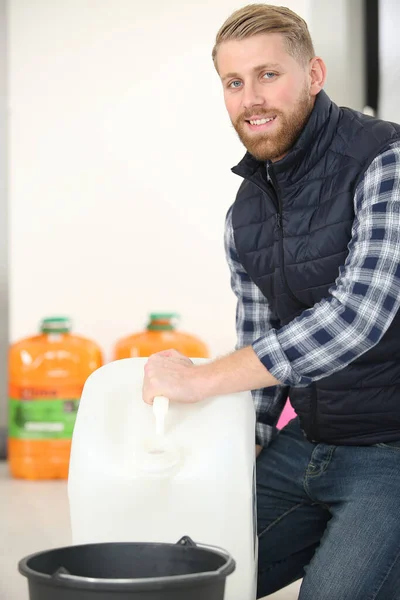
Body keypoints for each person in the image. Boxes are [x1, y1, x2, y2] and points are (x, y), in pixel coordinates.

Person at [143, 4, 400, 599]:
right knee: (177, 578)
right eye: (234, 82)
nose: (251, 98)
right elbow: (260, 329)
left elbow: (357, 317)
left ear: (314, 74)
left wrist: (204, 379)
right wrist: (249, 439)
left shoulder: (385, 160)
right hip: (308, 443)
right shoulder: (245, 211)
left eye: (268, 74)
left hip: (391, 451)